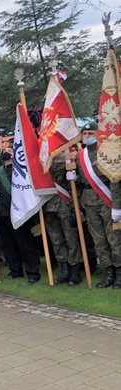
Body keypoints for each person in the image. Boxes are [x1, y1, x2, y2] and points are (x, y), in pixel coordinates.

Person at [76, 122, 121, 288]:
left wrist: (116, 206)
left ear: (98, 133)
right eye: (84, 134)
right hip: (89, 202)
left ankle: (119, 273)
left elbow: (115, 180)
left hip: (106, 201)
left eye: (90, 133)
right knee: (98, 239)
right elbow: (81, 183)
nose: (87, 137)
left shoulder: (107, 152)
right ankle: (109, 272)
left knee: (114, 238)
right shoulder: (79, 156)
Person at [0, 149, 41, 284]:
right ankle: (15, 269)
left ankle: (32, 272)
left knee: (24, 243)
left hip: (17, 212)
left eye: (9, 150)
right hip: (1, 213)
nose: (6, 152)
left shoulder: (20, 170)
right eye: (4, 150)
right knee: (8, 244)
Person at [44, 154, 83, 285]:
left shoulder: (66, 155)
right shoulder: (40, 157)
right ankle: (65, 270)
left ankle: (75, 271)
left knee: (71, 239)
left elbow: (74, 185)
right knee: (56, 241)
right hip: (48, 206)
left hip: (65, 204)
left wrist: (74, 206)